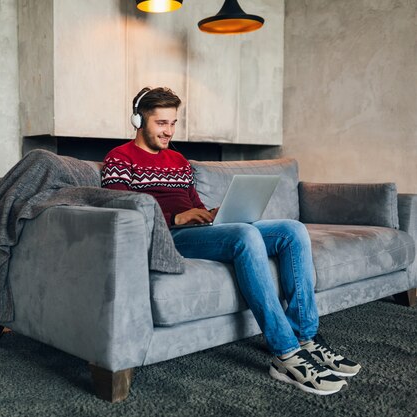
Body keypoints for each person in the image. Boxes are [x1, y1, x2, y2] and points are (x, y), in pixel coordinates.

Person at [101, 87, 361, 396]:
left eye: (173, 123)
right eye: (161, 123)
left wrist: (211, 213)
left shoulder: (179, 161)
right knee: (245, 234)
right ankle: (286, 354)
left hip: (197, 229)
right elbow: (123, 210)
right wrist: (175, 218)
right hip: (167, 236)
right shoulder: (119, 158)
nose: (169, 131)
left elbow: (192, 202)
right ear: (138, 120)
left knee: (291, 231)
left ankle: (306, 338)